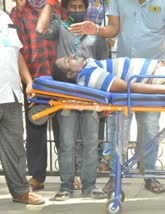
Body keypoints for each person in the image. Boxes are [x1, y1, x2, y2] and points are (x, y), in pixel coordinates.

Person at [69, 0, 165, 194]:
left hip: (152, 76)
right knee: (118, 129)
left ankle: (149, 174)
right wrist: (96, 29)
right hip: (122, 75)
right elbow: (113, 29)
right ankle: (115, 176)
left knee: (149, 127)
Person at [36, 0, 108, 201]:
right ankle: (66, 186)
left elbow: (104, 64)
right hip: (66, 97)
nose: (77, 11)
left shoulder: (95, 31)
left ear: (86, 8)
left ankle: (90, 186)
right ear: (65, 9)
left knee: (91, 143)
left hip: (91, 98)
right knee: (66, 143)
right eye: (72, 7)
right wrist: (50, 3)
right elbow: (40, 29)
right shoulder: (60, 26)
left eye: (80, 7)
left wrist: (105, 101)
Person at [10, 0, 61, 192]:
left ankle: (68, 175)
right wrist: (28, 81)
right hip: (34, 79)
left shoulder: (56, 8)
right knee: (35, 129)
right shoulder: (18, 12)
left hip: (59, 79)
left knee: (63, 129)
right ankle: (37, 177)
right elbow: (17, 49)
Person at [0, 9, 45, 205]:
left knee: (15, 148)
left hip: (11, 93)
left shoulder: (5, 17)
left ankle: (20, 192)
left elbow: (16, 53)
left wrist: (28, 81)